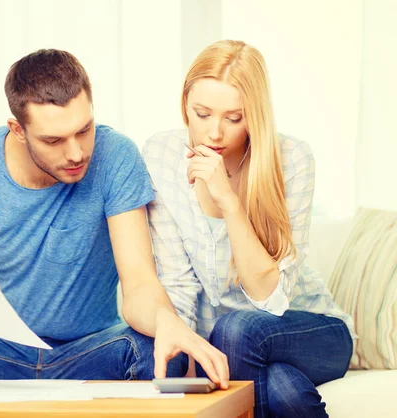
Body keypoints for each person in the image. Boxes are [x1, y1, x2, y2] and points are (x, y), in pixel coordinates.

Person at [0, 49, 230, 398]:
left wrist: (166, 320)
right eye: (53, 140)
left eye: (84, 130)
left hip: (90, 352)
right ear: (18, 129)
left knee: (164, 345)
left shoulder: (117, 154)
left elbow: (138, 282)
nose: (75, 153)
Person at [142, 40, 355, 418]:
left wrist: (229, 201)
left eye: (233, 118)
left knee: (236, 328)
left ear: (254, 115)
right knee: (281, 388)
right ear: (184, 105)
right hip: (232, 347)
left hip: (311, 330)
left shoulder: (292, 158)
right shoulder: (161, 154)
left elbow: (270, 296)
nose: (214, 133)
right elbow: (176, 287)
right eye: (202, 114)